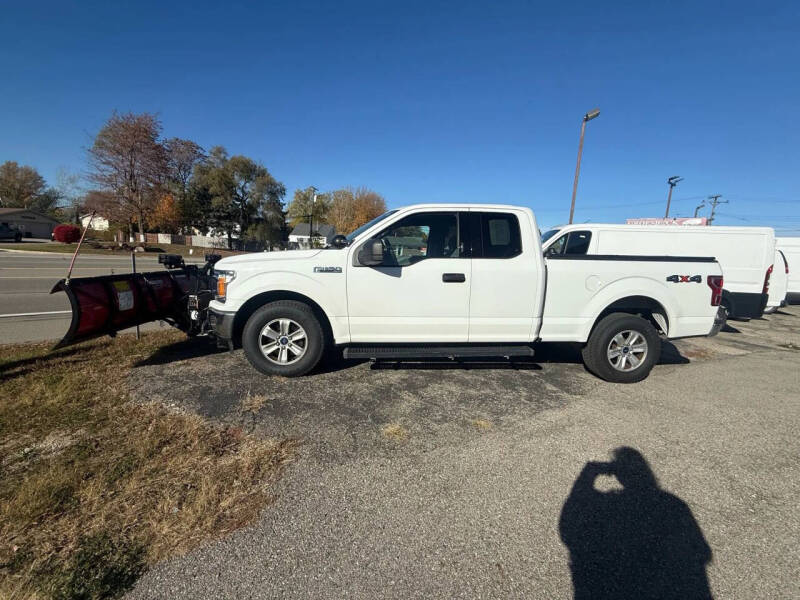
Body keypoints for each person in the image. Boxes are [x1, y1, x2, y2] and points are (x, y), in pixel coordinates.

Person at [559, 447, 713, 599]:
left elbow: (569, 523)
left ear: (618, 475)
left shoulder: (606, 505)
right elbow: (702, 552)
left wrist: (589, 472)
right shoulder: (672, 505)